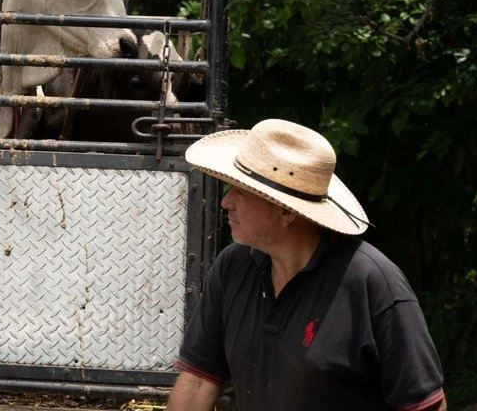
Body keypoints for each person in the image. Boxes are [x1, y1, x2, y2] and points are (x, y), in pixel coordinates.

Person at [167, 118, 447, 411]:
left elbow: (425, 406)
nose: (227, 202)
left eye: (242, 191)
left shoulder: (372, 283)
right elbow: (199, 381)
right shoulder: (232, 267)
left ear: (286, 211)